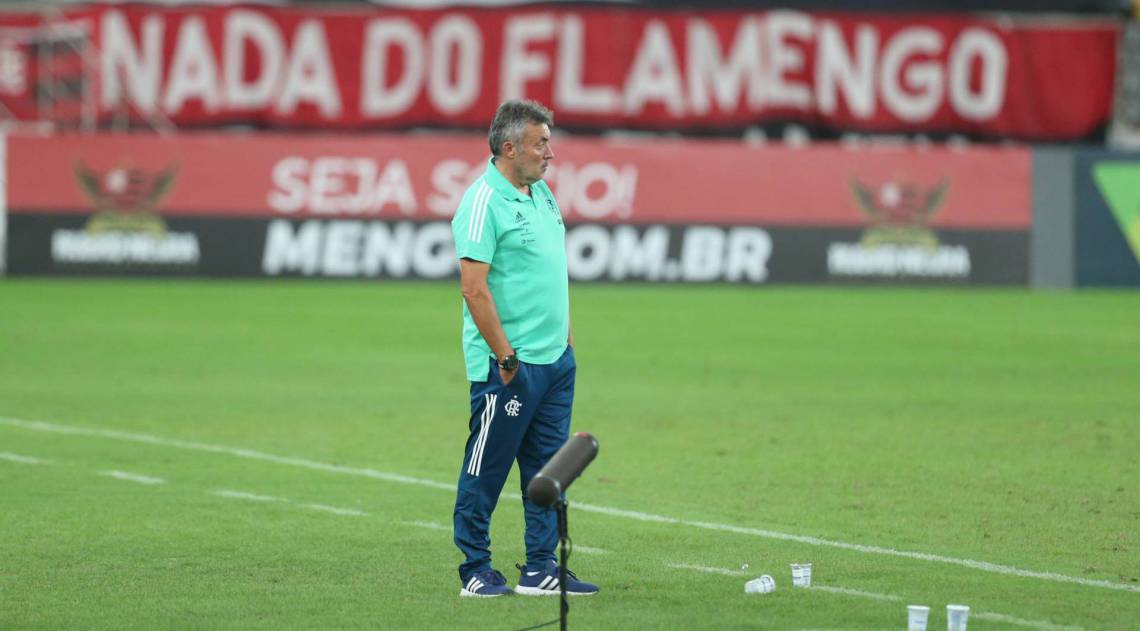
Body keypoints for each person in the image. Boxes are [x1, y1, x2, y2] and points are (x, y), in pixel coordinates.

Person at [450, 100, 599, 598]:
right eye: (541, 143)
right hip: (509, 368)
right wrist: (506, 357)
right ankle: (474, 568)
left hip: (555, 363)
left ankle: (541, 567)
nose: (550, 153)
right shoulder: (482, 202)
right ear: (509, 147)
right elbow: (473, 288)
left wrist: (567, 341)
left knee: (548, 472)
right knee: (486, 467)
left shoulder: (540, 193)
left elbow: (549, 274)